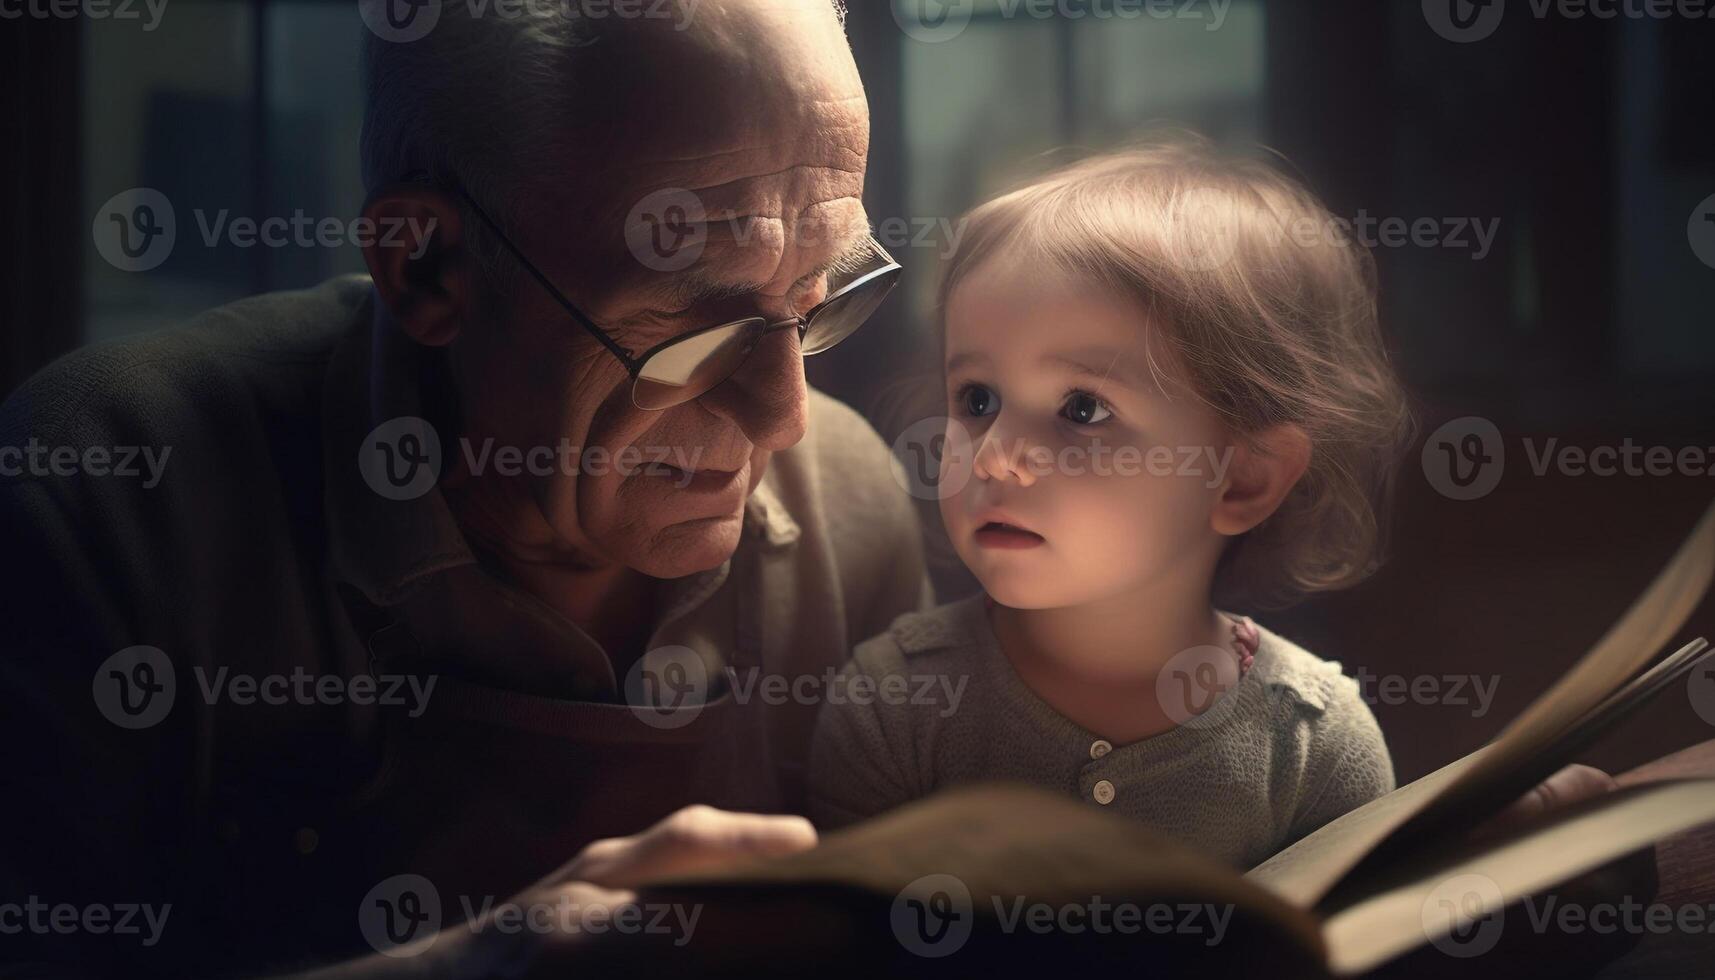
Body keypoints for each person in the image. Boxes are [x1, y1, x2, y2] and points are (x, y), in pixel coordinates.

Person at [0, 2, 930, 975]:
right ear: (428, 268)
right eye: (692, 336)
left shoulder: (844, 504)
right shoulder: (110, 495)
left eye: (816, 300)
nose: (784, 417)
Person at [811, 137, 1412, 867]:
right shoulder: (893, 704)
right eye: (977, 399)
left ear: (1242, 477)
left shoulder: (1318, 747)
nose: (996, 452)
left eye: (1082, 410)